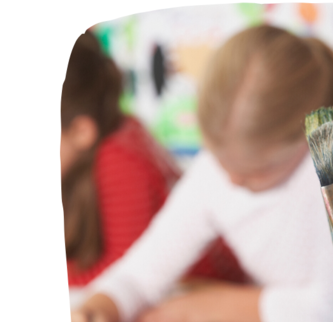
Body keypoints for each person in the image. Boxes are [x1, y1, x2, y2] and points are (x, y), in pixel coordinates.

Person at [70, 25, 333, 322]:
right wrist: (100, 307)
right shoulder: (216, 170)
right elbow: (141, 271)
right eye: (222, 162)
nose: (232, 182)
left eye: (255, 172)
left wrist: (208, 307)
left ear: (307, 137)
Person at [62, 32, 246, 287]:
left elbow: (125, 272)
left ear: (81, 131)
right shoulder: (110, 140)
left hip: (209, 288)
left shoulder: (120, 157)